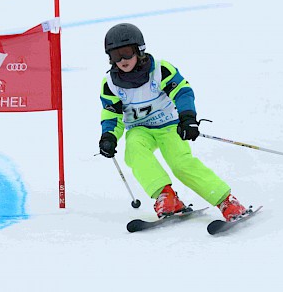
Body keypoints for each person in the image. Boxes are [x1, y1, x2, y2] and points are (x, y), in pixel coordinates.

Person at [98, 23, 247, 220]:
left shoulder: (160, 70)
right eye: (116, 56)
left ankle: (226, 200)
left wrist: (188, 118)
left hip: (169, 125)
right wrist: (108, 136)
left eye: (126, 53)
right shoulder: (110, 84)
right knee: (134, 149)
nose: (122, 60)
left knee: (180, 163)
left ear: (139, 50)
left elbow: (182, 92)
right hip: (140, 129)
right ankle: (165, 196)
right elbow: (112, 115)